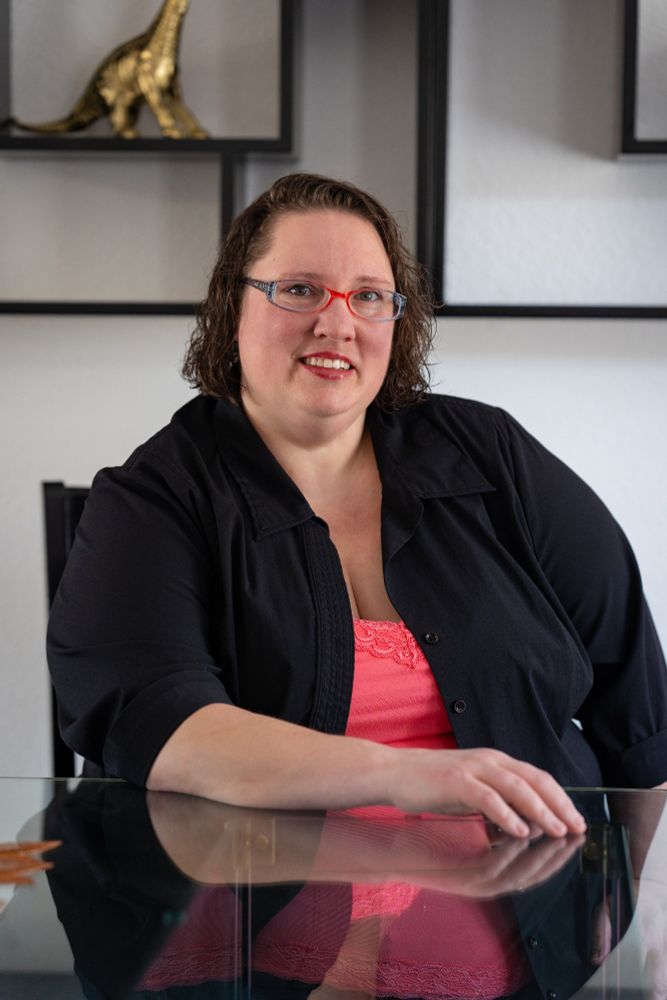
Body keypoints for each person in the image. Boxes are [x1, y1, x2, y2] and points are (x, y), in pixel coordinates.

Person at [47, 172, 667, 841]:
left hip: (536, 914)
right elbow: (163, 726)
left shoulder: (490, 453)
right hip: (257, 916)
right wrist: (403, 775)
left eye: (368, 296)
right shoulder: (150, 500)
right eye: (300, 289)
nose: (336, 323)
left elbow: (636, 708)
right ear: (232, 309)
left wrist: (634, 918)